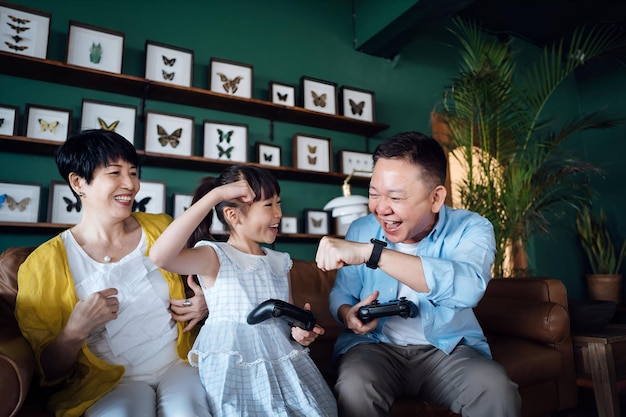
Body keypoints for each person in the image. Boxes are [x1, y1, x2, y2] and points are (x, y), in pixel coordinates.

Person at [315, 131, 521, 417]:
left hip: (447, 350)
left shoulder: (472, 228)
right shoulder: (361, 229)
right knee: (354, 386)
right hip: (376, 348)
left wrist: (372, 254)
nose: (381, 208)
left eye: (396, 197)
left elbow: (467, 287)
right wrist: (348, 313)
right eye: (374, 194)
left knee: (495, 388)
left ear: (436, 198)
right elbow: (342, 292)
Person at [15, 129, 211, 417]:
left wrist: (206, 301)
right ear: (78, 182)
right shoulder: (42, 265)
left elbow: (208, 274)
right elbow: (48, 370)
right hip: (108, 383)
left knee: (189, 411)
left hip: (178, 364)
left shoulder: (160, 227)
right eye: (115, 173)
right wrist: (75, 330)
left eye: (133, 173)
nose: (130, 184)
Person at [149, 165, 338, 417]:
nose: (279, 213)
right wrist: (215, 196)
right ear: (233, 215)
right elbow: (160, 256)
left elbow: (288, 321)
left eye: (278, 203)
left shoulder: (280, 261)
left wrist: (300, 333)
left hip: (284, 360)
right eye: (269, 205)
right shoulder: (214, 256)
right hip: (235, 362)